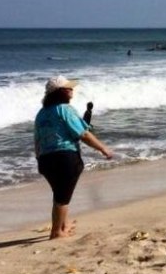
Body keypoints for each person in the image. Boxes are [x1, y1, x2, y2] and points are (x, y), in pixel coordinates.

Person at [34, 76, 113, 240]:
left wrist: (39, 160)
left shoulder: (41, 114)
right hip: (65, 157)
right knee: (63, 197)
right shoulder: (65, 109)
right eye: (68, 87)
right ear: (59, 92)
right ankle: (56, 232)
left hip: (45, 159)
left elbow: (37, 140)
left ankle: (63, 225)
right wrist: (103, 148)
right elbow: (83, 133)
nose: (72, 89)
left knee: (60, 194)